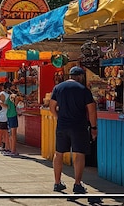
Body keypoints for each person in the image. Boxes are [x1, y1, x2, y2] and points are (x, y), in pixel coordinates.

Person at [49, 66, 98, 194]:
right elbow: (92, 111)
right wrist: (93, 128)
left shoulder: (58, 88)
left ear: (69, 76)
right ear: (80, 76)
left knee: (59, 153)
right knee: (79, 154)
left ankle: (57, 183)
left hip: (62, 126)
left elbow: (52, 106)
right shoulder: (84, 90)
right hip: (79, 126)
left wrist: (58, 117)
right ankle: (77, 184)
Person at [5, 87, 21, 156]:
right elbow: (17, 105)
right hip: (13, 115)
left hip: (8, 115)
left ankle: (10, 149)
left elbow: (6, 106)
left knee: (10, 134)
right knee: (14, 135)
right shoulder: (15, 97)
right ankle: (13, 150)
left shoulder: (8, 98)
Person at [0, 83, 10, 153]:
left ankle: (2, 145)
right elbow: (1, 103)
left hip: (4, 116)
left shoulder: (4, 94)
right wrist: (8, 107)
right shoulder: (2, 94)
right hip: (2, 116)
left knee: (4, 132)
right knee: (3, 132)